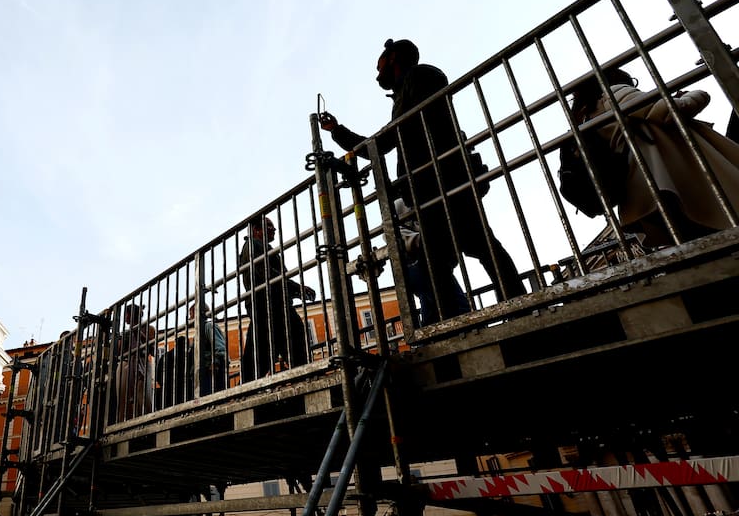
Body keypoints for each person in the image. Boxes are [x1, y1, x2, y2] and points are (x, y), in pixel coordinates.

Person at [320, 38, 525, 323]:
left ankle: (515, 307)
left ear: (392, 57)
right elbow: (387, 140)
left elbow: (386, 140)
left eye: (379, 65)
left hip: (443, 180)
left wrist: (341, 133)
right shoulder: (411, 85)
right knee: (446, 260)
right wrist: (338, 131)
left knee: (475, 248)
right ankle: (462, 321)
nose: (376, 73)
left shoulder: (420, 77)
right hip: (431, 185)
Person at [569, 67, 739, 248]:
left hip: (641, 191)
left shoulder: (588, 118)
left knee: (705, 246)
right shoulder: (613, 93)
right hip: (666, 181)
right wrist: (697, 94)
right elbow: (671, 110)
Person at [239, 217, 316, 381]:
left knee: (263, 347)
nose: (274, 230)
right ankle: (305, 374)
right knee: (291, 336)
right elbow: (265, 272)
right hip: (269, 302)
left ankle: (246, 385)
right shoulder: (253, 245)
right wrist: (296, 288)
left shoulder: (261, 247)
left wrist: (294, 289)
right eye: (268, 226)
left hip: (268, 302)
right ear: (255, 229)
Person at [114, 304, 156, 420]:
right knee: (123, 398)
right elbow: (119, 351)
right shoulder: (126, 333)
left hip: (142, 363)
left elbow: (152, 350)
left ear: (132, 314)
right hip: (125, 364)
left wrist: (138, 333)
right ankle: (124, 422)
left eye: (126, 314)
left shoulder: (149, 328)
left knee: (144, 397)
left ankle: (146, 420)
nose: (125, 317)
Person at [188, 301, 228, 395]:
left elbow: (220, 348)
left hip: (209, 371)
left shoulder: (209, 326)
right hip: (201, 373)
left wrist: (215, 364)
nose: (190, 318)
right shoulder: (198, 333)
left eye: (191, 314)